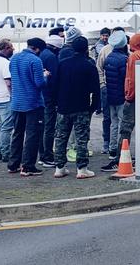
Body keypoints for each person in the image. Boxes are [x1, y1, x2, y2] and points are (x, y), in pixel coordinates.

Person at [101, 34, 140, 172]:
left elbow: (130, 79)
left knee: (125, 128)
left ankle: (120, 158)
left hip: (132, 98)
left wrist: (129, 96)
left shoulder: (133, 57)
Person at [52, 36, 100, 179]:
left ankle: (59, 167)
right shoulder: (89, 66)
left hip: (63, 107)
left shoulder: (62, 64)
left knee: (61, 137)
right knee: (81, 139)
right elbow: (96, 91)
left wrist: (56, 103)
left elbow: (54, 86)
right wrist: (93, 107)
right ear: (86, 48)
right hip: (81, 107)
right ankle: (82, 168)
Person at [8, 38, 50, 176]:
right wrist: (45, 76)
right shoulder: (35, 60)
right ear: (37, 49)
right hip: (32, 103)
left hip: (16, 102)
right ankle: (28, 166)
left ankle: (13, 164)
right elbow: (39, 84)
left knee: (17, 133)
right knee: (33, 134)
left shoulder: (14, 58)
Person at [95, 27, 123, 155]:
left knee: (119, 119)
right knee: (108, 118)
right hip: (107, 89)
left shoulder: (126, 50)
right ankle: (108, 143)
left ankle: (118, 146)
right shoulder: (105, 50)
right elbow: (99, 69)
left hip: (121, 91)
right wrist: (102, 85)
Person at [37, 34, 63, 168]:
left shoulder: (42, 54)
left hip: (42, 95)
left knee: (43, 126)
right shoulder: (52, 57)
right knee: (49, 126)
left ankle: (42, 154)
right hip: (50, 97)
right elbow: (55, 79)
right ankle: (47, 155)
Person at [103, 31, 128, 160]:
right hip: (121, 95)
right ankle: (121, 149)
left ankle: (112, 149)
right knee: (123, 124)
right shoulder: (123, 59)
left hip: (110, 95)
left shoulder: (108, 58)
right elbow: (125, 78)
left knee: (113, 123)